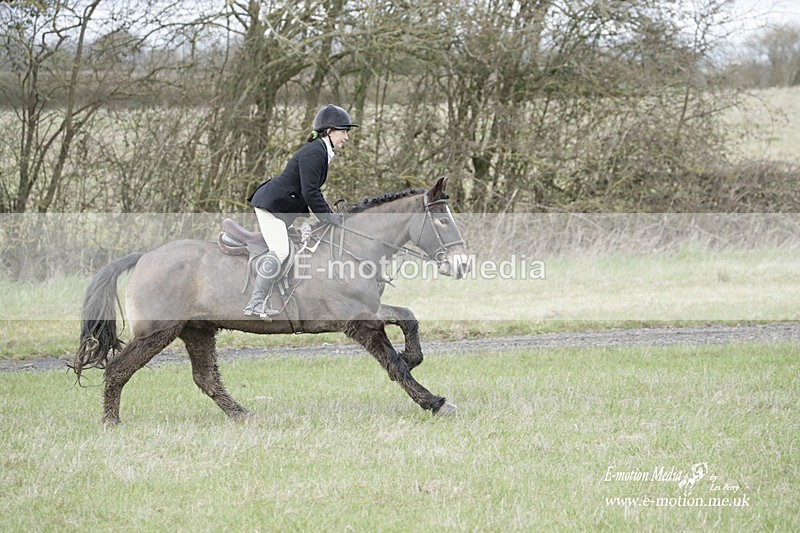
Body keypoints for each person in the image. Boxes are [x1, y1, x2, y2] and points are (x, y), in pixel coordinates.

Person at [243, 104, 359, 318]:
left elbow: (308, 192)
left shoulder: (320, 151)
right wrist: (328, 217)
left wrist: (324, 217)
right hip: (271, 206)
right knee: (281, 251)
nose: (346, 137)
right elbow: (310, 192)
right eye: (344, 132)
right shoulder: (315, 152)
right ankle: (255, 303)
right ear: (329, 131)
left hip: (282, 207)